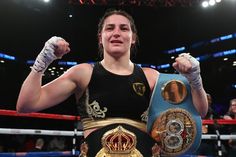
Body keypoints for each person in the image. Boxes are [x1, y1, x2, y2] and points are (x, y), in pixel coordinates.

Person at [16, 9, 208, 156]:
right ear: (101, 38)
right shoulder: (83, 73)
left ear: (132, 38)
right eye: (110, 28)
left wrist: (195, 78)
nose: (116, 32)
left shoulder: (151, 76)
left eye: (124, 28)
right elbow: (26, 104)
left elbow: (199, 111)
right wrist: (42, 61)